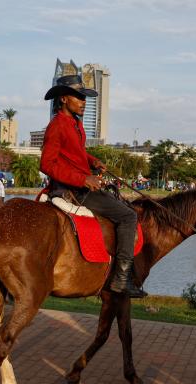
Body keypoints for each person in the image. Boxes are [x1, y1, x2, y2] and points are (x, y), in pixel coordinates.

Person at [40, 74, 144, 298]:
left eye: (84, 97)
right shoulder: (56, 126)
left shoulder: (76, 124)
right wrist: (83, 179)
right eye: (79, 97)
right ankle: (121, 279)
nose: (83, 102)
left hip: (82, 184)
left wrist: (91, 161)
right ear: (64, 99)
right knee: (128, 216)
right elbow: (46, 164)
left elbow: (73, 153)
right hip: (73, 190)